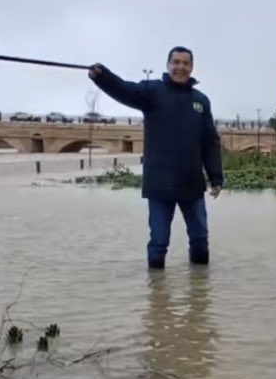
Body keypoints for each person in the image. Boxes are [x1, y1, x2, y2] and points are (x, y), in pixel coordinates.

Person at [88, 46, 224, 270]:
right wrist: (103, 77)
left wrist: (216, 177)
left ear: (191, 67)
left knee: (200, 238)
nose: (180, 67)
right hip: (159, 184)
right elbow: (124, 89)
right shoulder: (152, 92)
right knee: (159, 242)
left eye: (185, 63)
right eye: (176, 62)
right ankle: (157, 297)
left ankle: (200, 296)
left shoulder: (201, 101)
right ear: (168, 65)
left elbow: (210, 141)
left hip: (192, 183)